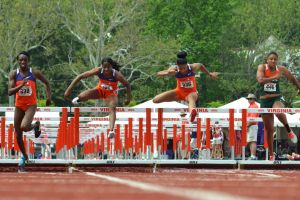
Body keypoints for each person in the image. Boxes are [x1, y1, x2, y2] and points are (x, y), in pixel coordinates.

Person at [64, 57, 131, 139]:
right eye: (104, 67)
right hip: (99, 90)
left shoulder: (116, 74)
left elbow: (127, 85)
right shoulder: (98, 70)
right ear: (101, 66)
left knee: (112, 108)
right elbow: (80, 76)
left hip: (110, 94)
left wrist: (128, 98)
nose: (106, 69)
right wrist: (68, 90)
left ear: (112, 66)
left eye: (108, 67)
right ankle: (79, 100)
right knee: (82, 96)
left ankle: (111, 130)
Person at [8, 51, 51, 171]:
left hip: (31, 105)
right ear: (18, 61)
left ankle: (35, 125)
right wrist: (20, 85)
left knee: (24, 126)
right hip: (19, 106)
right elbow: (10, 92)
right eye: (20, 60)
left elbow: (47, 83)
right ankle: (25, 157)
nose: (23, 62)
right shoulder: (14, 74)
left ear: (28, 61)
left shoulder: (34, 72)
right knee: (18, 135)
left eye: (25, 60)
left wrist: (49, 98)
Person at [256, 51, 300, 161]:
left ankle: (289, 130)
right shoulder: (262, 67)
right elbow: (260, 80)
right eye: (271, 59)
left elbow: (292, 78)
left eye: (275, 59)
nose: (273, 61)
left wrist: (299, 87)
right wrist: (274, 77)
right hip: (264, 101)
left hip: (276, 98)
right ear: (267, 60)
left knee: (279, 111)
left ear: (277, 60)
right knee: (269, 129)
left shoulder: (281, 69)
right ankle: (271, 154)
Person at [153, 51, 219, 122]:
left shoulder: (192, 67)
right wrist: (168, 73)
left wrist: (209, 74)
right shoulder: (174, 68)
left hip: (191, 93)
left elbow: (201, 65)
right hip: (179, 92)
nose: (182, 70)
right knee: (155, 100)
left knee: (191, 99)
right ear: (177, 66)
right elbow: (158, 73)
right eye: (180, 68)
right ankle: (192, 112)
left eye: (184, 68)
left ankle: (192, 113)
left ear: (187, 65)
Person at [246, 93, 259, 160]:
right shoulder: (251, 106)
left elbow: (253, 118)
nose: (249, 100)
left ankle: (253, 156)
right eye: (248, 99)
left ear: (254, 99)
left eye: (250, 98)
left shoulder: (254, 106)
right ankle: (252, 155)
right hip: (251, 125)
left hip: (252, 125)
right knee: (251, 141)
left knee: (253, 141)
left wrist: (247, 126)